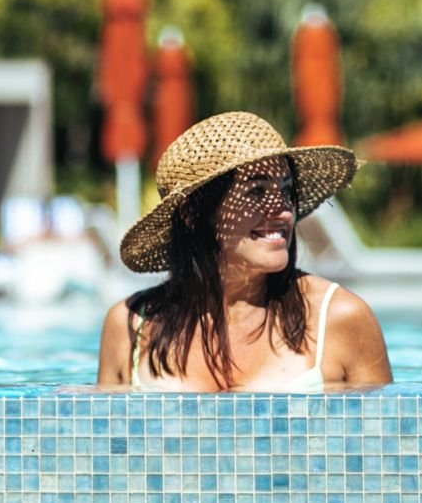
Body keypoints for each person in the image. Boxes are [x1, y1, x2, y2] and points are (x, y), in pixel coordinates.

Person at [98, 111, 392, 391]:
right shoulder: (130, 326)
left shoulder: (339, 318)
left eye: (286, 191)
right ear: (191, 214)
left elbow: (392, 437)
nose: (285, 212)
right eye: (257, 191)